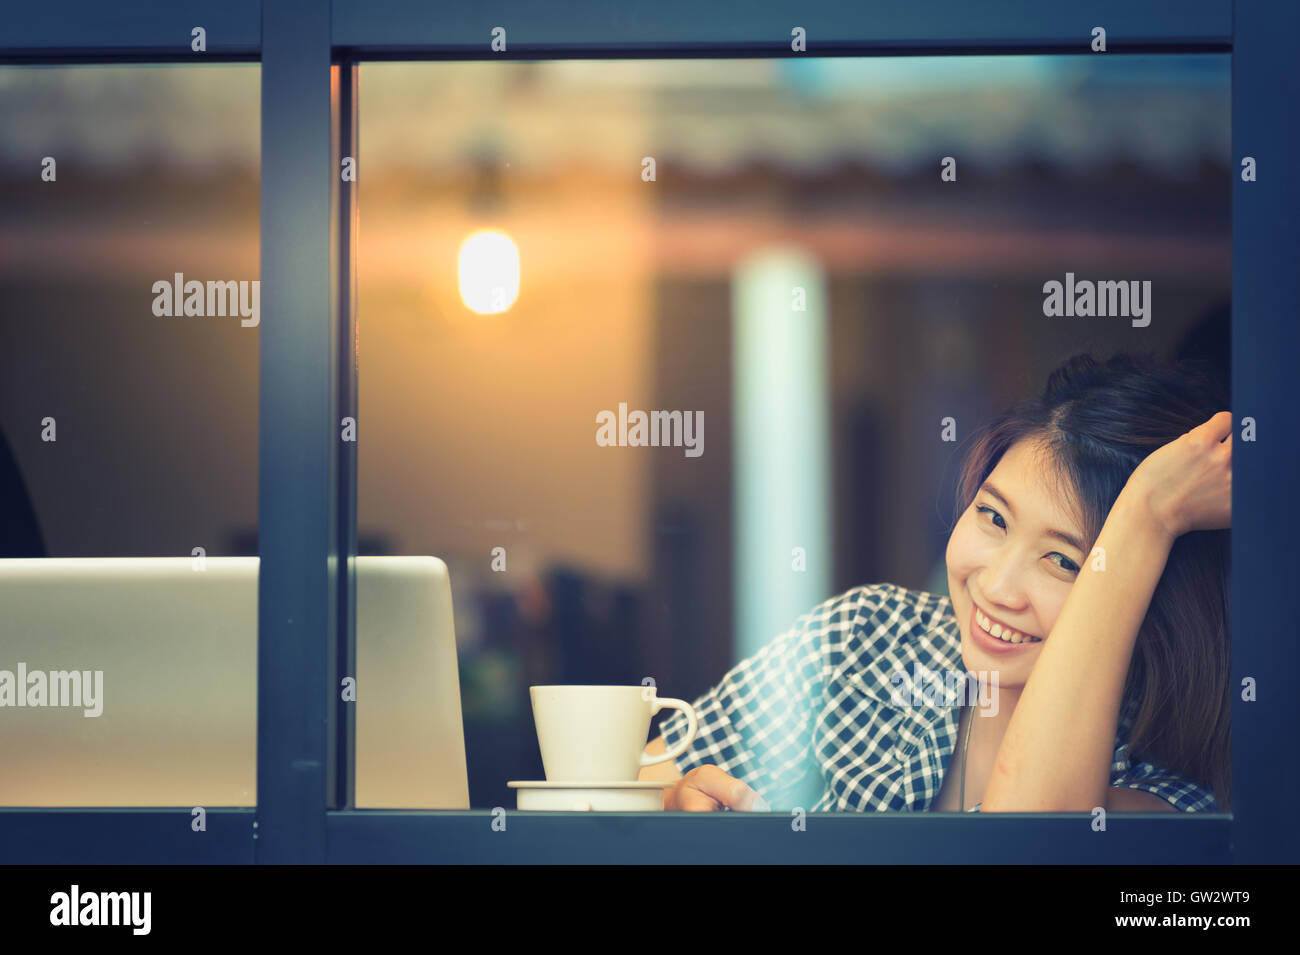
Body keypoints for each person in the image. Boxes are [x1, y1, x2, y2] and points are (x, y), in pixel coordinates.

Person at [641, 352, 1231, 813]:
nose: (998, 587)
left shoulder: (1169, 767)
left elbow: (1031, 842)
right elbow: (628, 782)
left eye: (1063, 562)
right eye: (993, 517)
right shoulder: (867, 638)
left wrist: (1146, 519)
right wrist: (672, 801)